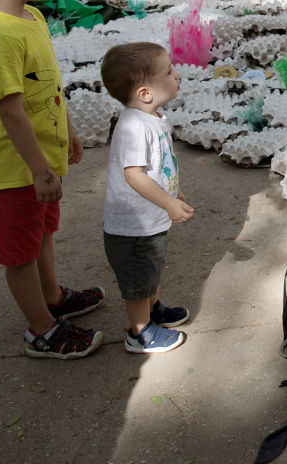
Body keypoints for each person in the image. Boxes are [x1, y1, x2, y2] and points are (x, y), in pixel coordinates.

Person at [0, 0, 104, 359]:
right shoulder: (0, 38)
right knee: (20, 253)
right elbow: (10, 113)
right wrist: (39, 169)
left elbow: (47, 86)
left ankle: (52, 297)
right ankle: (41, 329)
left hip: (38, 162)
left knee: (43, 232)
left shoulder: (31, 17)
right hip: (14, 170)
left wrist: (68, 131)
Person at [100, 42, 194, 353]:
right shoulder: (134, 127)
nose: (176, 75)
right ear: (145, 93)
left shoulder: (152, 118)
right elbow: (135, 175)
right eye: (168, 72)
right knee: (139, 278)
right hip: (133, 226)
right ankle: (140, 332)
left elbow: (160, 164)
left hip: (150, 219)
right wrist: (168, 202)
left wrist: (174, 191)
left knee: (150, 268)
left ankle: (153, 310)